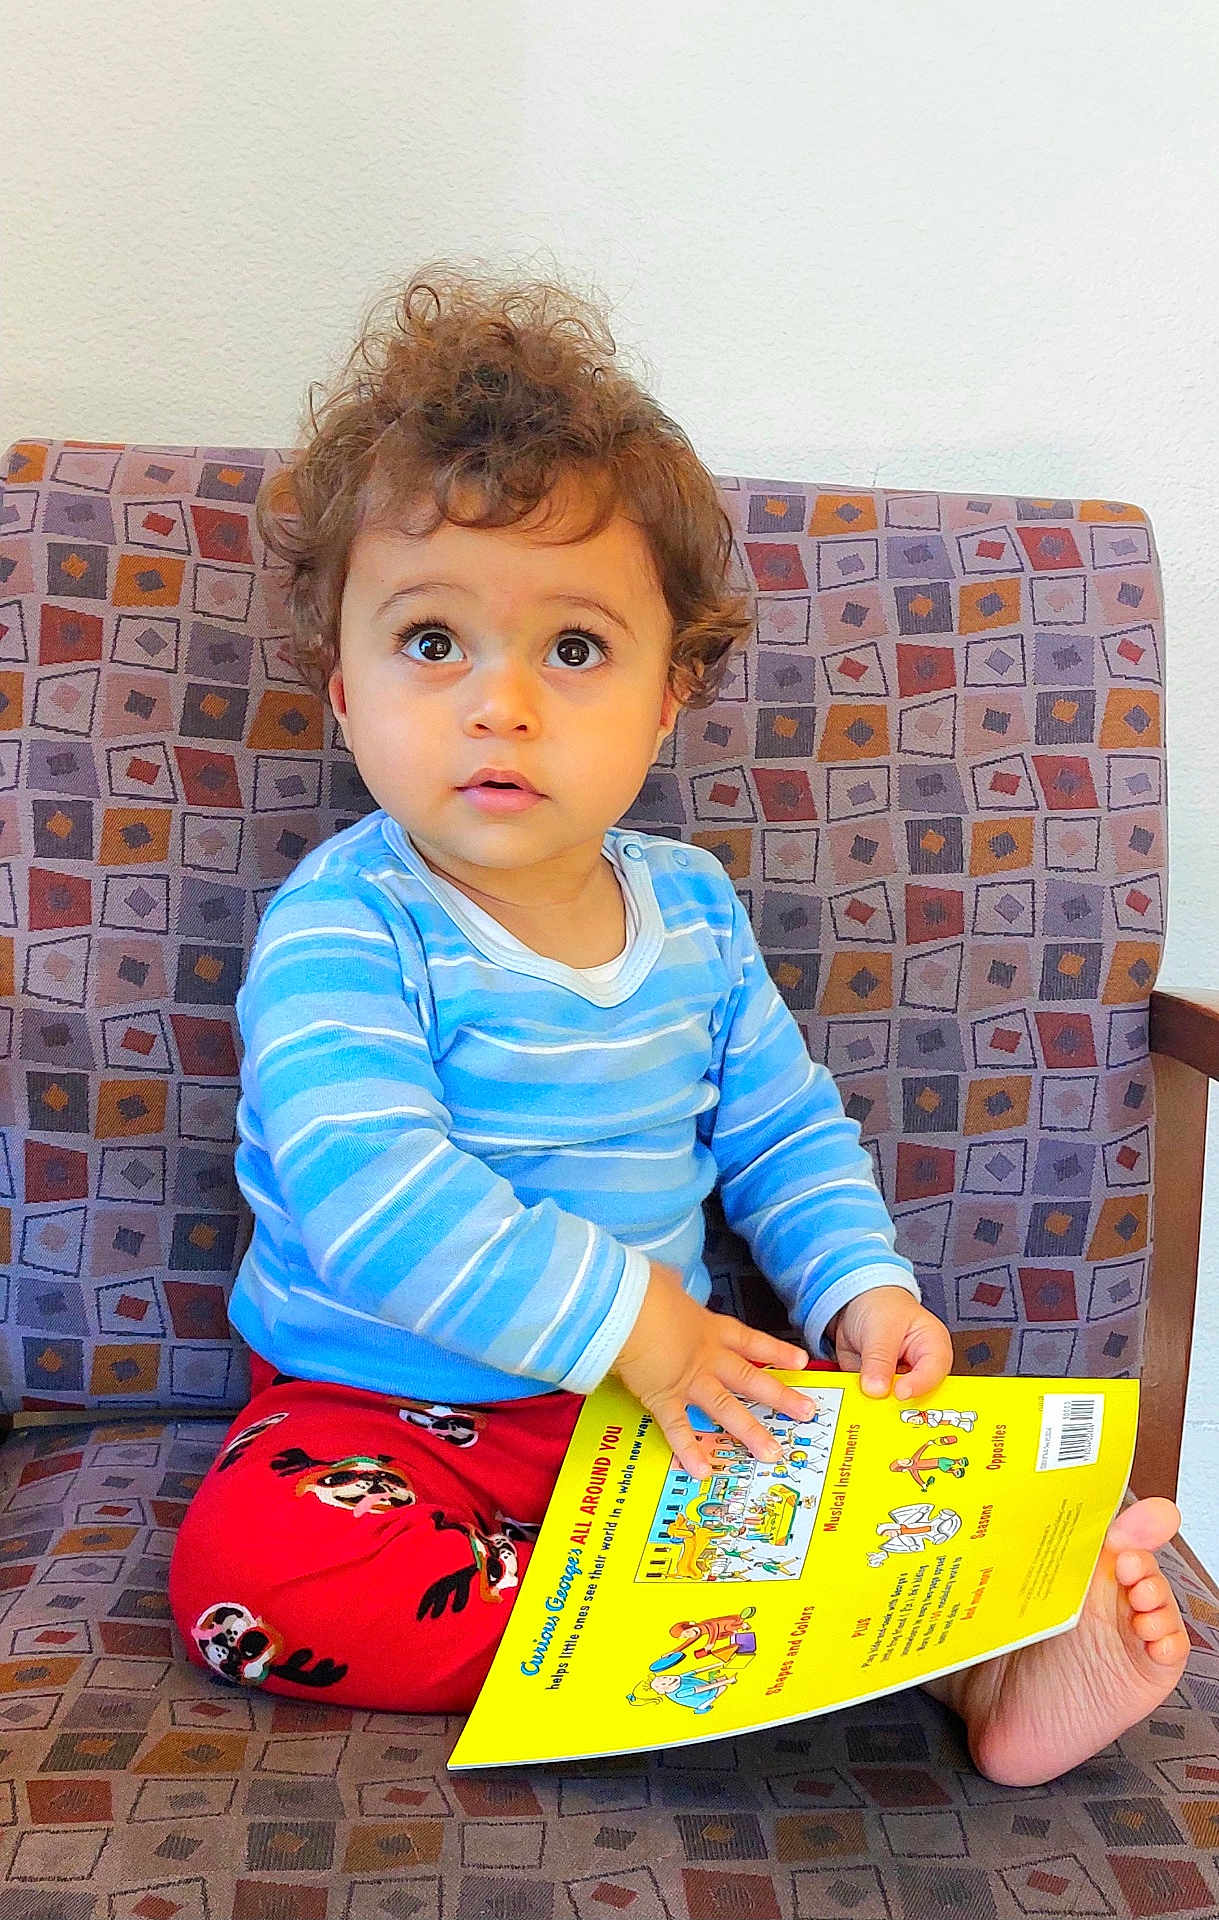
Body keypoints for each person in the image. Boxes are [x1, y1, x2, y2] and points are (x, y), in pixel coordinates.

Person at [168, 263, 1189, 1787]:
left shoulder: (694, 915)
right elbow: (373, 1200)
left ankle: (1003, 1657)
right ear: (344, 690)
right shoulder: (346, 924)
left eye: (572, 651)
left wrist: (857, 1290)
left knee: (887, 1459)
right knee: (255, 1574)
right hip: (378, 1417)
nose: (499, 704)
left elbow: (781, 1132)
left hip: (660, 1416)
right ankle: (729, 1644)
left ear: (667, 701)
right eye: (433, 642)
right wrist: (633, 1322)